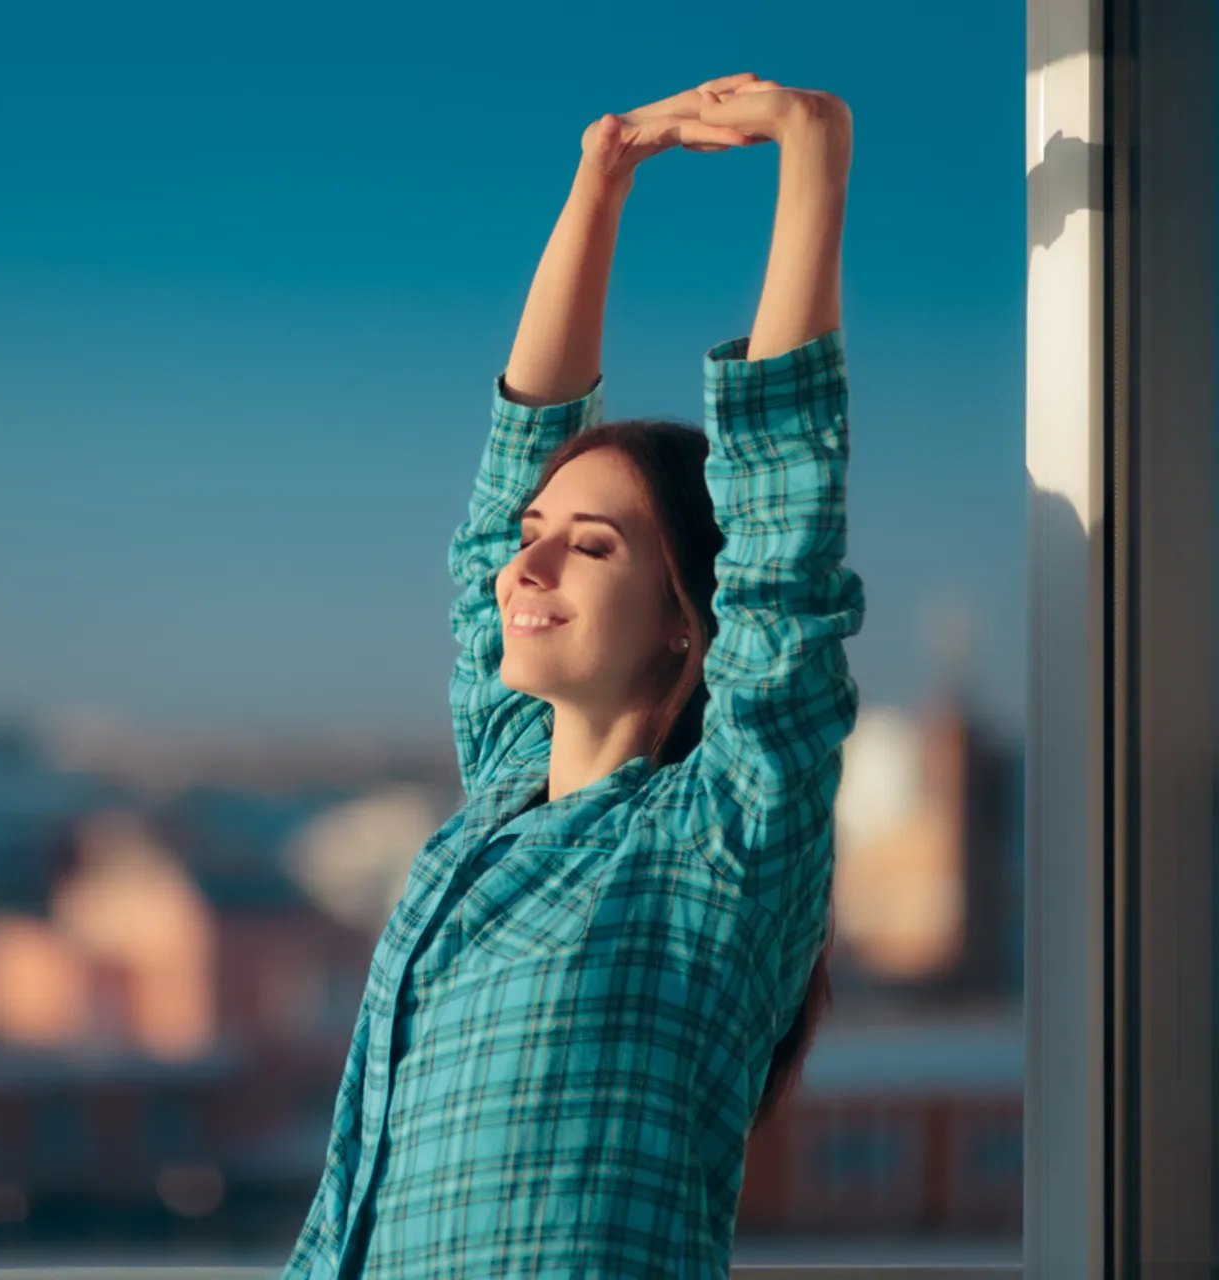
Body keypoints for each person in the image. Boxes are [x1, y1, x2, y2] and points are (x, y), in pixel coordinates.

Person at [283, 71, 865, 1279]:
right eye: (532, 534)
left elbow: (783, 540)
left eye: (590, 545)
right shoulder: (498, 794)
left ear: (681, 621)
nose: (525, 562)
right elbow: (512, 472)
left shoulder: (725, 831)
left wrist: (810, 154)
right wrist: (598, 180)